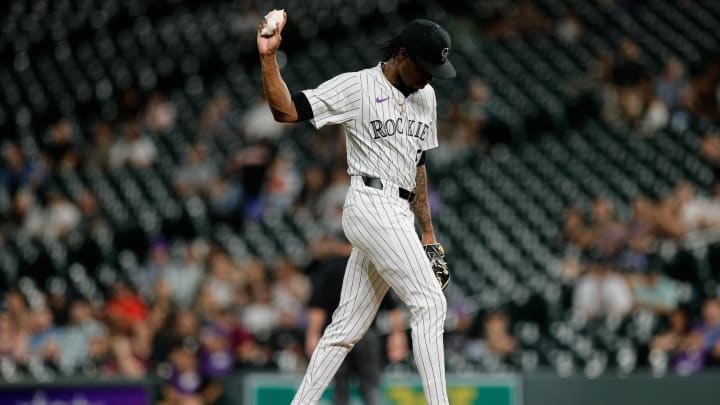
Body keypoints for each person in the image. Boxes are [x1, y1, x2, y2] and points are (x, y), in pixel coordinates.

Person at [258, 13, 455, 404]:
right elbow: (287, 111)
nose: (431, 77)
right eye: (426, 67)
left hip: (399, 213)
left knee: (346, 327)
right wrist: (268, 59)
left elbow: (417, 165)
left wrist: (428, 231)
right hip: (369, 201)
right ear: (402, 55)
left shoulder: (426, 96)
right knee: (431, 303)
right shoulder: (358, 86)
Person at [305, 238, 408, 405]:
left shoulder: (327, 269)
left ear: (338, 245)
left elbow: (318, 308)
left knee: (340, 385)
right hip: (365, 334)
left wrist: (312, 335)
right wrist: (397, 336)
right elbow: (393, 309)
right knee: (371, 385)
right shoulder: (371, 268)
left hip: (336, 337)